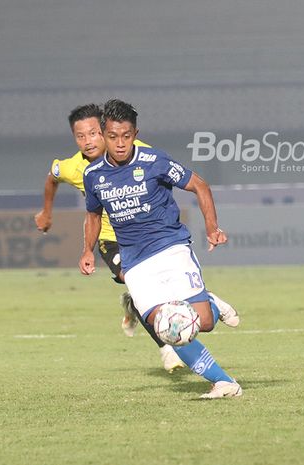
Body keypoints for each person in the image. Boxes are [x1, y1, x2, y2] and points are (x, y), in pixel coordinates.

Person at [79, 99, 242, 399]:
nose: (119, 144)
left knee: (203, 323)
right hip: (135, 264)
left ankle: (212, 304)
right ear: (102, 135)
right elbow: (93, 214)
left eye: (126, 136)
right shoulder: (93, 176)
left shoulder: (155, 160)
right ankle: (224, 382)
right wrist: (88, 250)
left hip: (171, 249)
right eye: (113, 136)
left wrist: (212, 228)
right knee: (168, 328)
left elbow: (200, 186)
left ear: (135, 133)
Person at [34, 103, 185, 372]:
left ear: (105, 132)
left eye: (93, 133)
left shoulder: (136, 150)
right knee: (137, 283)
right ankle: (167, 348)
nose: (88, 141)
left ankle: (132, 303)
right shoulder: (73, 167)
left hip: (145, 234)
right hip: (109, 239)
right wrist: (46, 213)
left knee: (160, 285)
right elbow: (51, 176)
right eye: (80, 136)